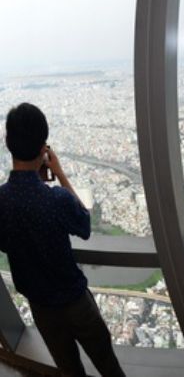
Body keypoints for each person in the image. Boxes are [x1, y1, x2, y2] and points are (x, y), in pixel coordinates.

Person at [0, 103, 125, 377]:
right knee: (108, 366)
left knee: (69, 371)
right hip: (76, 303)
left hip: (42, 309)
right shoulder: (56, 198)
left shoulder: (1, 201)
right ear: (43, 147)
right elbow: (84, 224)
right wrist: (60, 174)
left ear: (8, 143)